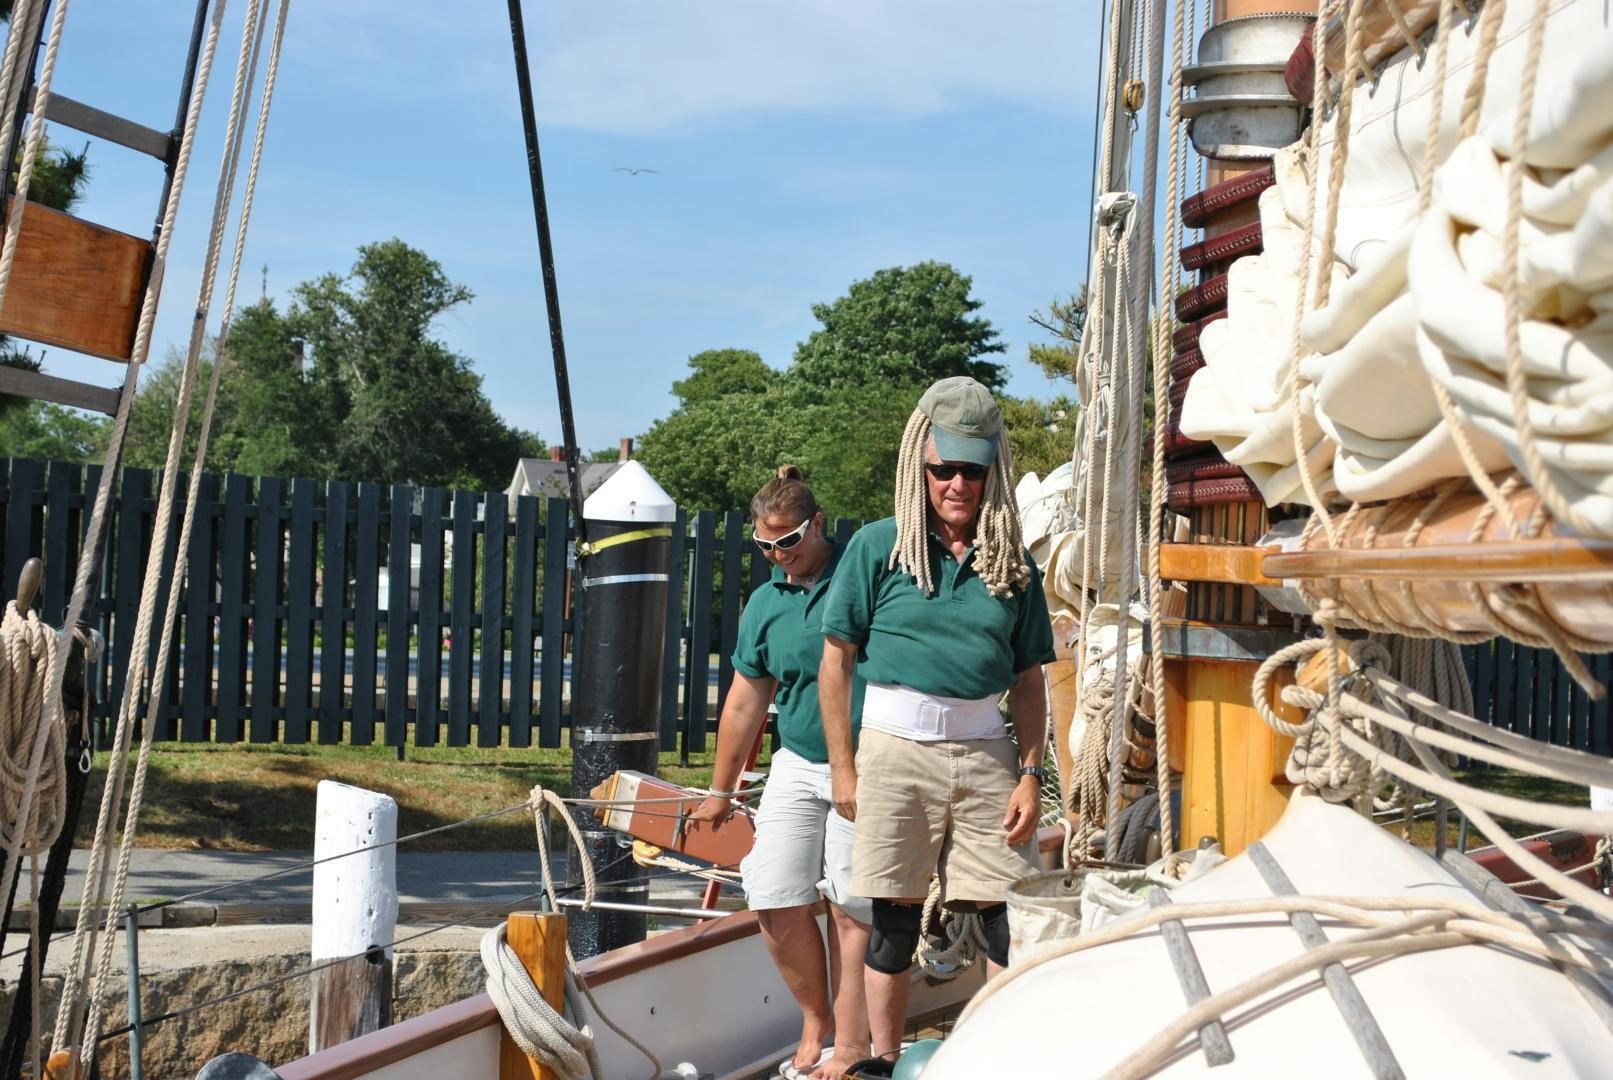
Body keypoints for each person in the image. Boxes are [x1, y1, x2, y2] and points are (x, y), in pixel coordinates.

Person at [817, 376, 1054, 1072]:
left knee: (1001, 917)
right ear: (918, 467)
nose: (956, 484)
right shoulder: (877, 547)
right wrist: (842, 767)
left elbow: (1030, 677)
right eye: (942, 469)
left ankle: (1003, 1060)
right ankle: (885, 1063)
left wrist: (1032, 773)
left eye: (971, 471)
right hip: (894, 750)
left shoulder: (1011, 560)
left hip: (986, 753)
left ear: (991, 473)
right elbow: (836, 661)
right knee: (891, 924)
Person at [688, 466, 871, 1080]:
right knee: (771, 892)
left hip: (867, 761)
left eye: (788, 542)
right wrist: (720, 791)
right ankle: (815, 1016)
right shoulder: (766, 602)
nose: (777, 556)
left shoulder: (863, 571)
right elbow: (744, 704)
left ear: (817, 523)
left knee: (850, 906)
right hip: (797, 758)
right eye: (765, 546)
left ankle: (851, 1043)